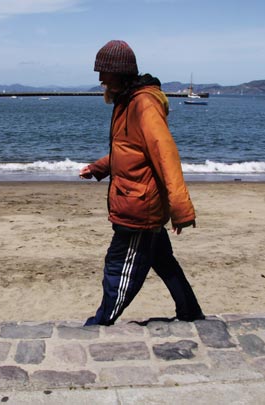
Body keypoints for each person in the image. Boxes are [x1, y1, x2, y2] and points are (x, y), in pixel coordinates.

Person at [80, 40, 204, 326]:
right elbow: (129, 151)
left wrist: (181, 208)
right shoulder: (126, 101)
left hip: (139, 206)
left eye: (105, 74)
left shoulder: (143, 104)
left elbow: (164, 154)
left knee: (118, 267)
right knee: (163, 261)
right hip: (137, 197)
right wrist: (99, 168)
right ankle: (190, 313)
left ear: (121, 74)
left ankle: (102, 321)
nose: (100, 80)